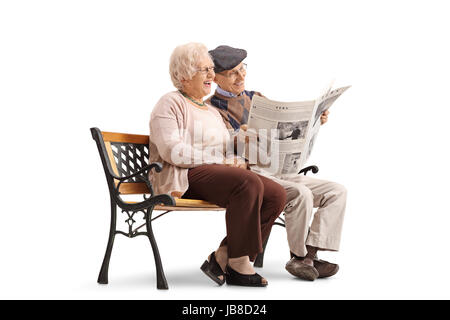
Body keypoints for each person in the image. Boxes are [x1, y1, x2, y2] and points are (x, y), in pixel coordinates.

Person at [148, 43, 287, 287]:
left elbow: (223, 143)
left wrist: (243, 140)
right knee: (248, 183)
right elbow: (172, 151)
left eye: (212, 69)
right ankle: (240, 263)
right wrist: (220, 161)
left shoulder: (209, 111)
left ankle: (224, 255)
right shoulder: (169, 104)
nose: (212, 76)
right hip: (182, 177)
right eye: (205, 70)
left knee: (276, 193)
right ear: (184, 75)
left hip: (212, 173)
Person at [206, 45, 347, 281]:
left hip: (280, 169)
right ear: (215, 77)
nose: (241, 77)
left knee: (337, 191)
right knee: (300, 193)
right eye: (232, 73)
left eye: (243, 69)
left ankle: (309, 256)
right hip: (253, 174)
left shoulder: (256, 98)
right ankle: (299, 258)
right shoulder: (212, 109)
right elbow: (222, 150)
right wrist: (241, 137)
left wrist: (314, 122)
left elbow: (281, 125)